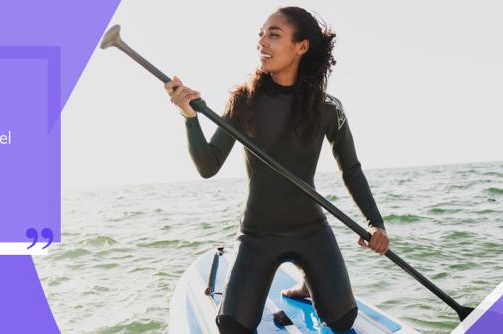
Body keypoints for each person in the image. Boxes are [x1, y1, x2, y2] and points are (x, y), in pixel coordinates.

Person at [164, 6, 390, 334]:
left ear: (301, 46)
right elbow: (208, 165)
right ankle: (307, 281)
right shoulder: (245, 100)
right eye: (260, 35)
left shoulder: (328, 108)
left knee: (343, 321)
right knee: (232, 328)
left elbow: (351, 169)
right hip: (258, 234)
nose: (262, 43)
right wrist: (189, 116)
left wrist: (375, 224)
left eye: (274, 35)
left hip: (311, 230)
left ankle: (309, 284)